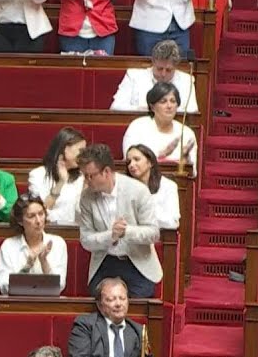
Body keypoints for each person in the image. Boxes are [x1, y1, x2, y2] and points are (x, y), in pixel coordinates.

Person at [75, 144, 162, 299]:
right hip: (105, 261)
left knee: (138, 302)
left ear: (106, 172)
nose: (87, 181)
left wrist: (126, 231)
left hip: (136, 263)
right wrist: (111, 235)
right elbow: (86, 240)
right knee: (103, 301)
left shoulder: (138, 191)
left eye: (90, 176)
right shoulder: (86, 197)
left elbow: (153, 233)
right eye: (84, 176)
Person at [67, 277, 156, 357]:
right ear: (99, 305)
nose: (118, 304)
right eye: (111, 299)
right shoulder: (86, 325)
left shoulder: (138, 331)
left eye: (122, 298)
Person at [0, 196, 68, 295]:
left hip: (49, 302)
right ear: (20, 221)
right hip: (16, 302)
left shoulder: (58, 243)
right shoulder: (8, 246)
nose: (38, 221)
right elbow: (4, 286)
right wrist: (27, 267)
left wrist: (44, 262)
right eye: (31, 216)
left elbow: (59, 286)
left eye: (41, 214)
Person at [122, 82, 198, 173]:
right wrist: (162, 154)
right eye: (163, 101)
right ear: (152, 107)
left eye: (173, 101)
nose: (169, 106)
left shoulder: (187, 133)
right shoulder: (137, 127)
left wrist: (186, 159)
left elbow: (193, 172)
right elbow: (130, 162)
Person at [110, 40, 199, 113]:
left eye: (168, 70)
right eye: (159, 69)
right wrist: (144, 109)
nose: (163, 74)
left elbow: (192, 111)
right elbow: (116, 107)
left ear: (175, 67)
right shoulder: (133, 76)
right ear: (153, 62)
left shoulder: (186, 80)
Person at [28, 127, 88, 227]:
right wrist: (61, 182)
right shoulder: (37, 175)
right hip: (47, 229)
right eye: (81, 151)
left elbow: (83, 213)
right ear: (64, 149)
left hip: (75, 231)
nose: (83, 156)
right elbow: (41, 211)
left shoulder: (82, 177)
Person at [125, 144, 180, 231]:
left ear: (150, 163)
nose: (131, 165)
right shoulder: (125, 187)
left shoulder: (168, 186)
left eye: (137, 159)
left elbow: (173, 222)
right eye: (128, 162)